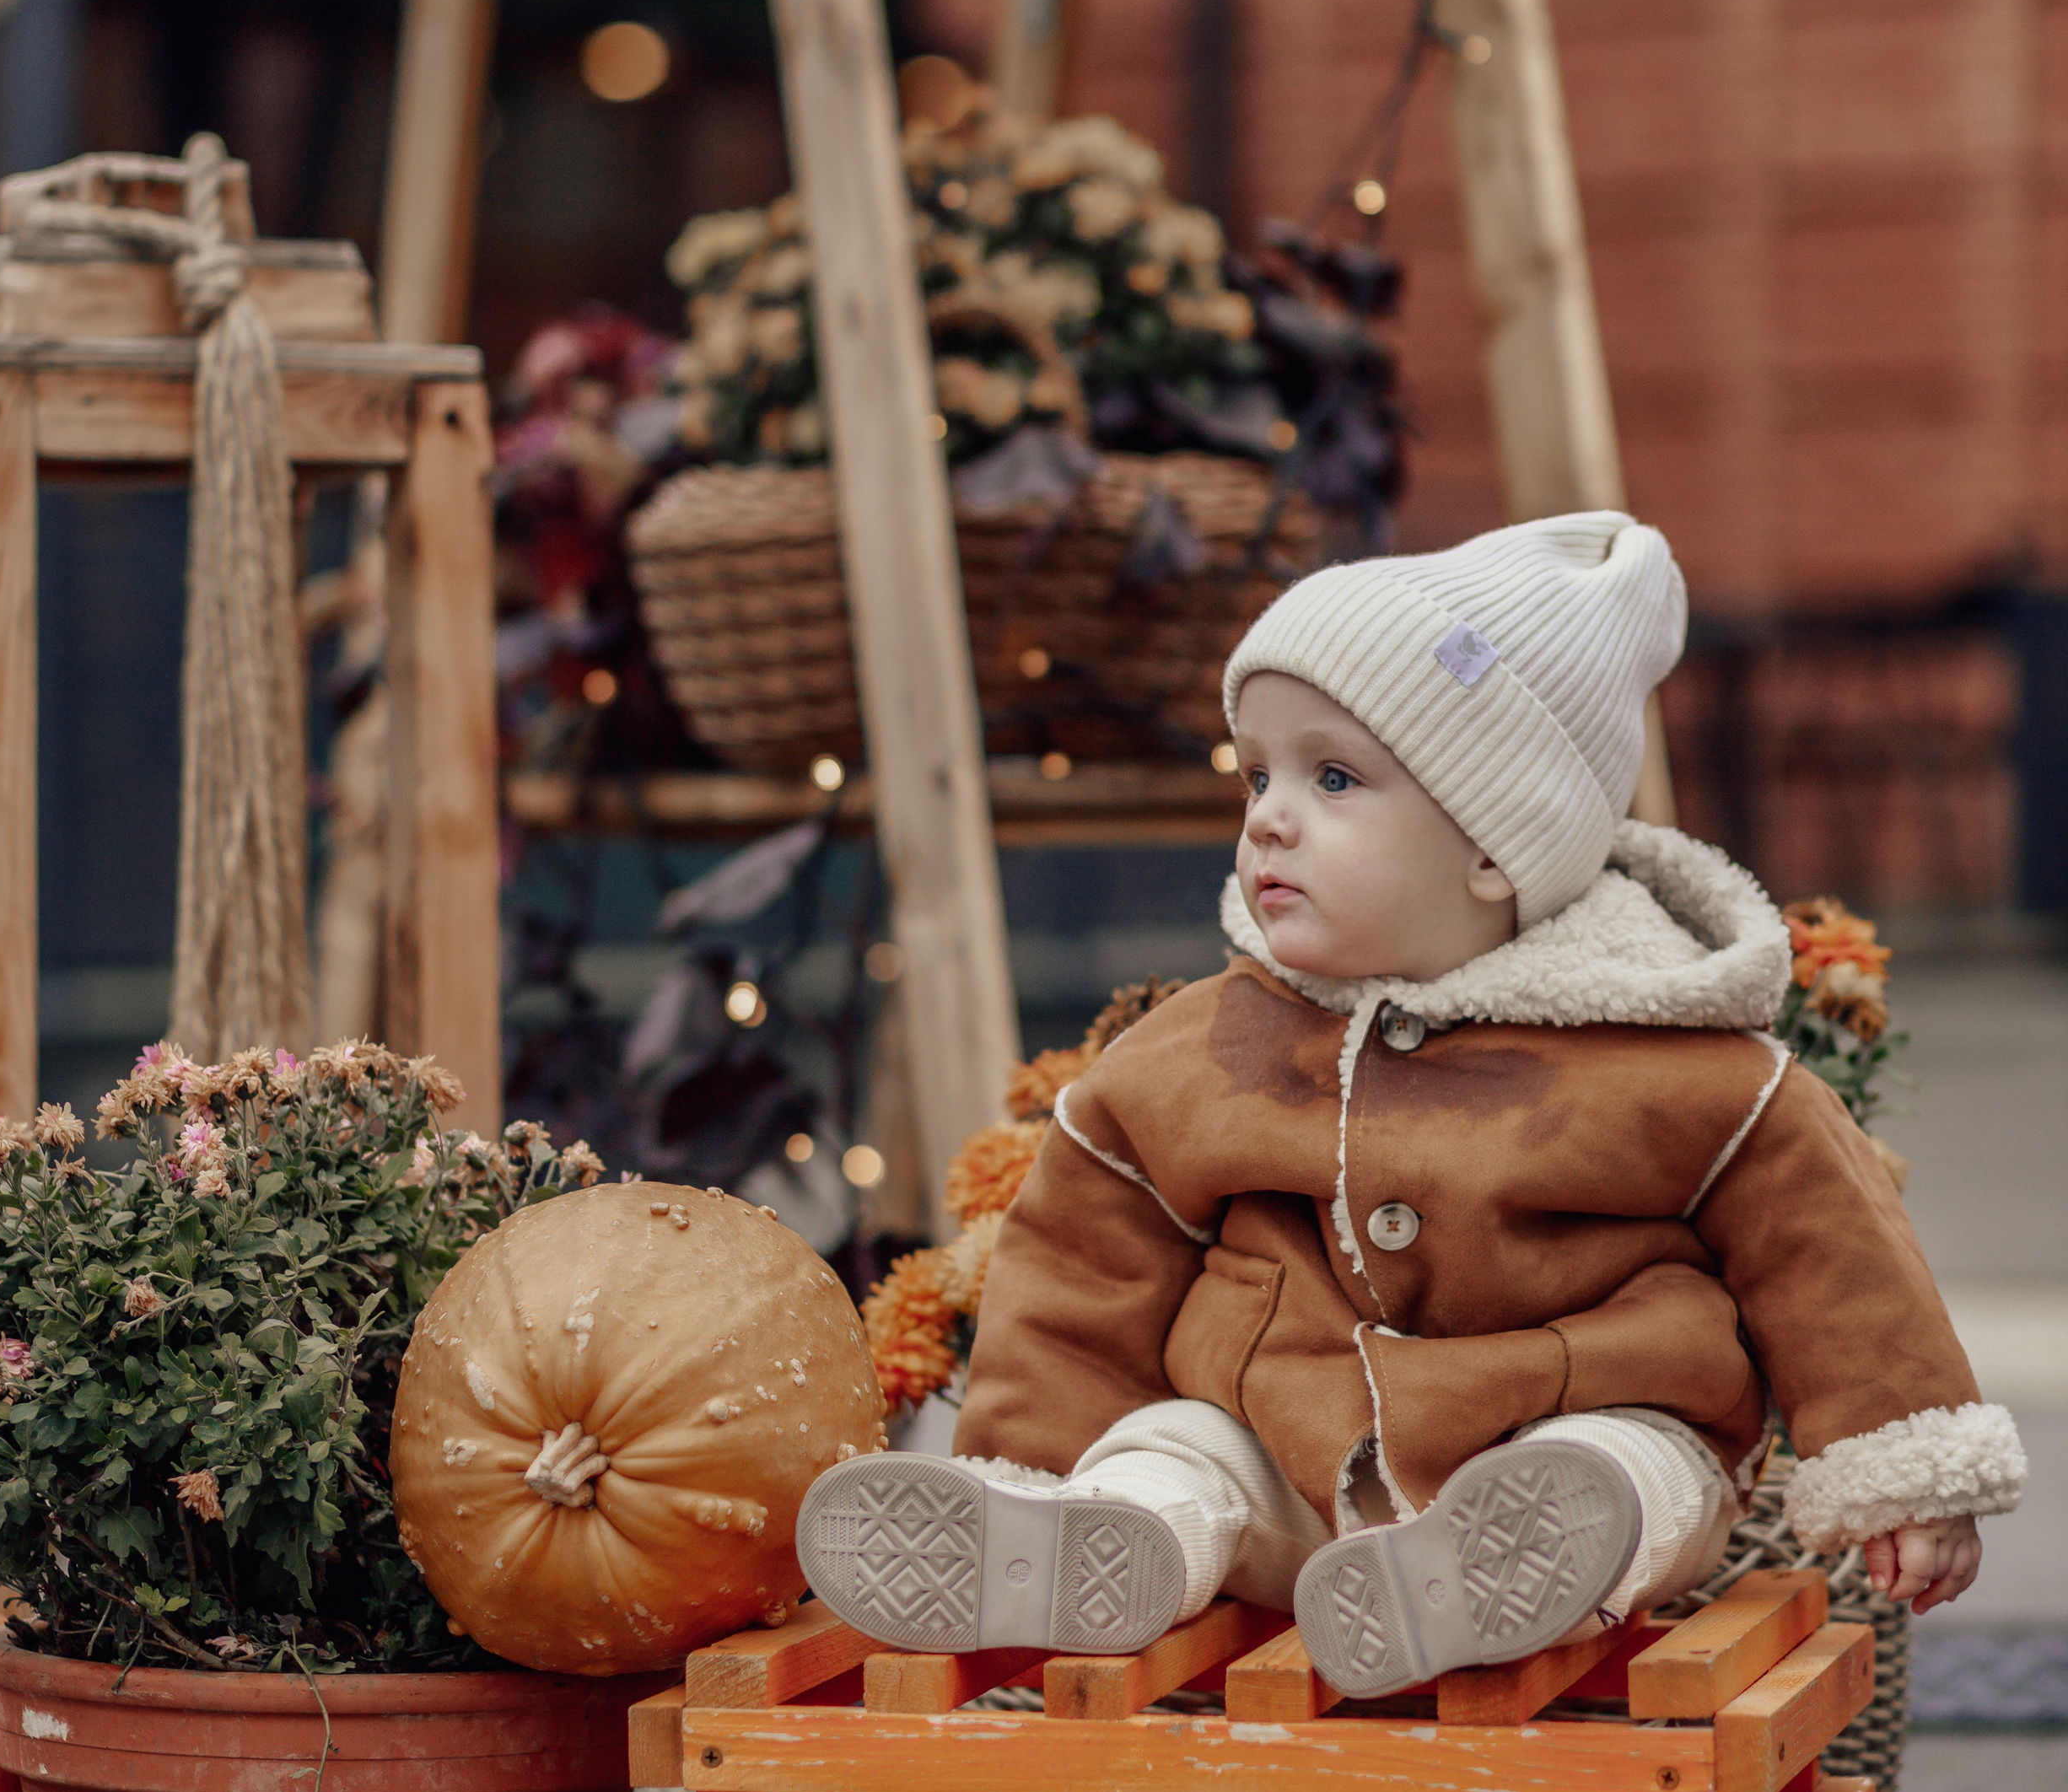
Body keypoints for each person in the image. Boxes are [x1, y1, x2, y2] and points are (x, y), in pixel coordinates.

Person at [798, 514, 2026, 1696]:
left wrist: (1904, 1468)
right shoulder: (1211, 1047)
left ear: (1498, 846)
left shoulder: (1677, 1062)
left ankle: (1508, 1567)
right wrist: (1035, 1456)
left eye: (1334, 777)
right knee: (1179, 1451)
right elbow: (1079, 1261)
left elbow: (1835, 1255)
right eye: (1258, 774)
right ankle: (1108, 1545)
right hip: (1282, 1445)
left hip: (1575, 1414)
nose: (1270, 815)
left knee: (1636, 1475)